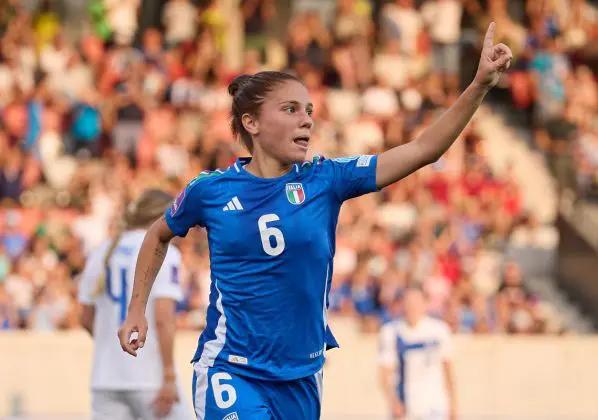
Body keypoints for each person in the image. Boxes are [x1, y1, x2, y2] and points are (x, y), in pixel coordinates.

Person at [118, 22, 512, 419]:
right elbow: (157, 235)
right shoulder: (212, 190)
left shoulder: (327, 179)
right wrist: (137, 309)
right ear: (251, 123)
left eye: (309, 110)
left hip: (302, 376)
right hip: (232, 370)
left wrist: (479, 85)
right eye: (290, 109)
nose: (306, 119)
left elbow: (424, 148)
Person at [78, 189, 193, 420]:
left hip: (106, 377)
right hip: (150, 376)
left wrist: (113, 345)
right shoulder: (165, 252)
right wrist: (169, 375)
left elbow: (86, 318)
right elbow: (163, 318)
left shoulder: (100, 252)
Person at [378, 286, 456, 420]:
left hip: (434, 405)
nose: (412, 307)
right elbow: (385, 373)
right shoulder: (391, 332)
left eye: (416, 302)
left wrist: (453, 404)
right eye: (408, 302)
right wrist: (393, 402)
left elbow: (448, 369)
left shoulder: (439, 330)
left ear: (425, 303)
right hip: (405, 407)